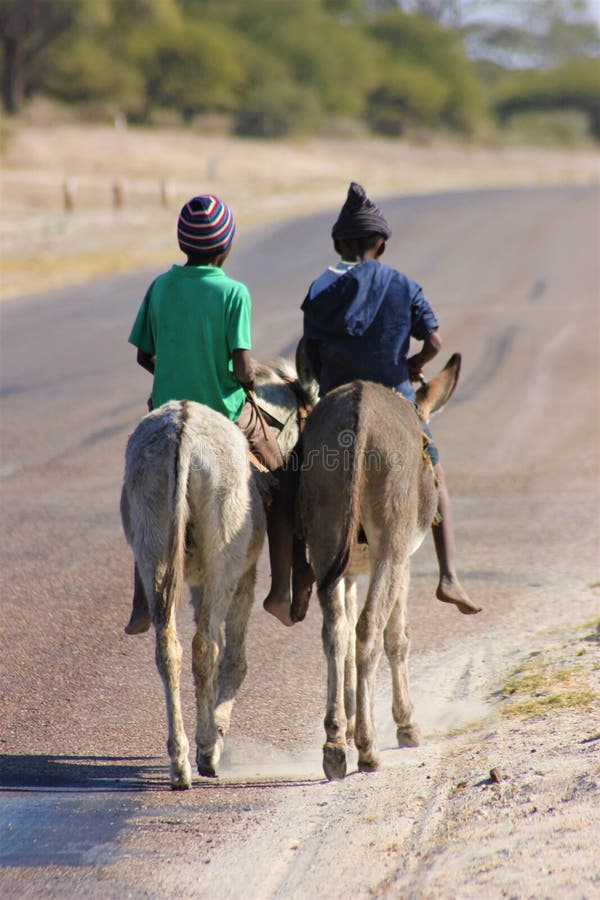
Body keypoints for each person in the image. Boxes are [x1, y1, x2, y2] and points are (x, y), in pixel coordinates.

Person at [125, 194, 310, 633]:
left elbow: (143, 357)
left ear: (182, 242)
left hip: (167, 410)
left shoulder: (160, 286)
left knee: (138, 487)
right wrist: (242, 381)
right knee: (284, 479)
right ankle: (281, 591)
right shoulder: (234, 292)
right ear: (225, 246)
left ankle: (141, 599)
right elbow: (244, 367)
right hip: (225, 413)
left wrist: (172, 373)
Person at [301, 182, 481, 615]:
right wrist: (413, 364)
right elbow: (436, 342)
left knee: (296, 472)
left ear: (339, 245)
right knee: (435, 472)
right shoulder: (404, 284)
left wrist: (328, 379)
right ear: (381, 243)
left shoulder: (322, 288)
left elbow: (309, 351)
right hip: (397, 396)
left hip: (334, 399)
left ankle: (298, 574)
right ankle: (449, 576)